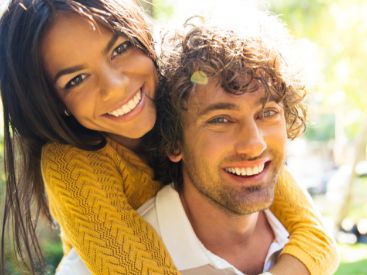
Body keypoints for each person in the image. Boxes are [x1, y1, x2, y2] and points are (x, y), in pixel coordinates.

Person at [0, 0, 337, 274]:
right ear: (50, 103)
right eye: (76, 80)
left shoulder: (182, 95)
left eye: (119, 49)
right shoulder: (72, 163)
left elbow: (316, 236)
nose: (116, 85)